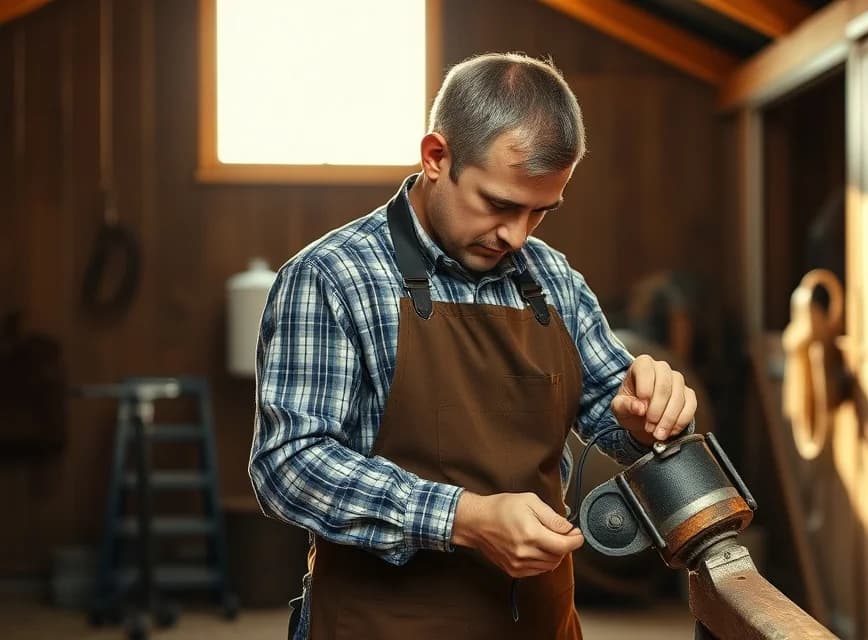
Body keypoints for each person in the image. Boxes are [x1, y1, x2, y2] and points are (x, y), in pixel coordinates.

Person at [249, 52, 698, 640]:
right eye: (500, 204)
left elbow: (610, 406)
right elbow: (288, 464)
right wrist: (462, 518)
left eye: (540, 213)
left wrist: (646, 414)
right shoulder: (333, 277)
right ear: (437, 157)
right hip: (381, 625)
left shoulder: (551, 278)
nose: (517, 235)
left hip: (539, 624)